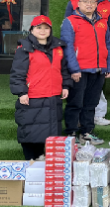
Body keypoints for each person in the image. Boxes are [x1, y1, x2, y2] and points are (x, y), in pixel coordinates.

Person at [9, 15, 72, 161]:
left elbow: (63, 69)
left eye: (46, 28)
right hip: (33, 96)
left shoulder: (58, 47)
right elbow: (17, 73)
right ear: (32, 30)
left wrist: (66, 85)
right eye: (39, 28)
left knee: (50, 132)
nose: (42, 31)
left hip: (53, 96)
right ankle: (31, 160)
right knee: (30, 131)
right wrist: (21, 92)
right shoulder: (24, 48)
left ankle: (43, 161)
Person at [60, 0, 110, 145]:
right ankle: (71, 134)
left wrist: (109, 65)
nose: (89, 4)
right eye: (86, 1)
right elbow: (67, 47)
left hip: (99, 70)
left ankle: (87, 133)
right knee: (75, 103)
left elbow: (108, 45)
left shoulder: (102, 22)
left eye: (92, 2)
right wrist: (74, 69)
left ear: (96, 4)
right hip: (79, 70)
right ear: (78, 4)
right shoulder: (70, 21)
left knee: (91, 104)